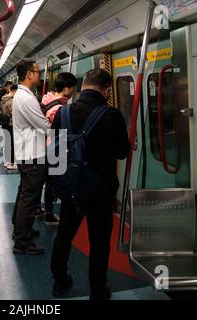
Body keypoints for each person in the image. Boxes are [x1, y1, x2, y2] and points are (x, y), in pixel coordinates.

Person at [50, 69, 130, 299]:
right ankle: (97, 288)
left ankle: (59, 280)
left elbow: (57, 151)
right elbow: (122, 152)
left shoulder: (63, 113)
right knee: (100, 241)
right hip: (100, 191)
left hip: (71, 187)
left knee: (64, 235)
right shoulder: (112, 115)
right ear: (106, 90)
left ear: (83, 85)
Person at [12, 59, 50, 255]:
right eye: (37, 71)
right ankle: (22, 242)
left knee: (24, 194)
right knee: (30, 199)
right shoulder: (27, 99)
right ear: (28, 74)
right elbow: (44, 125)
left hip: (26, 153)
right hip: (32, 155)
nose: (39, 74)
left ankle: (20, 229)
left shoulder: (22, 95)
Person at [40, 72, 77, 226]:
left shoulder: (48, 99)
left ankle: (43, 208)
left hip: (44, 145)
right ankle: (49, 213)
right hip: (53, 147)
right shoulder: (58, 108)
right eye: (73, 87)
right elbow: (58, 131)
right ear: (67, 89)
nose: (74, 90)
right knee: (52, 181)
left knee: (48, 180)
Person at [0, 84, 18, 170]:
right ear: (14, 91)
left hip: (4, 123)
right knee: (13, 143)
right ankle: (12, 162)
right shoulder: (12, 101)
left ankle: (7, 161)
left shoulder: (4, 98)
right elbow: (14, 114)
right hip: (11, 124)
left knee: (7, 143)